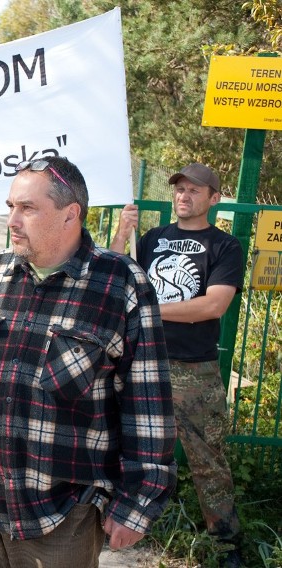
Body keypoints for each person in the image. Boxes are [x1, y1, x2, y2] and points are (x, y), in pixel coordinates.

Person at [0, 156, 177, 568]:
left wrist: (137, 504)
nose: (12, 220)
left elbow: (146, 405)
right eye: (10, 207)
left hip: (64, 511)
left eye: (27, 208)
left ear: (70, 214)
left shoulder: (120, 283)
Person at [111, 163, 245, 566]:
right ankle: (115, 527)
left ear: (213, 199)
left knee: (208, 462)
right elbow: (115, 278)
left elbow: (213, 304)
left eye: (194, 191)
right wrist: (121, 233)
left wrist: (150, 309)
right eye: (180, 189)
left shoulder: (225, 247)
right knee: (120, 449)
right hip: (141, 362)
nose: (183, 196)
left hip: (194, 370)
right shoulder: (151, 239)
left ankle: (226, 547)